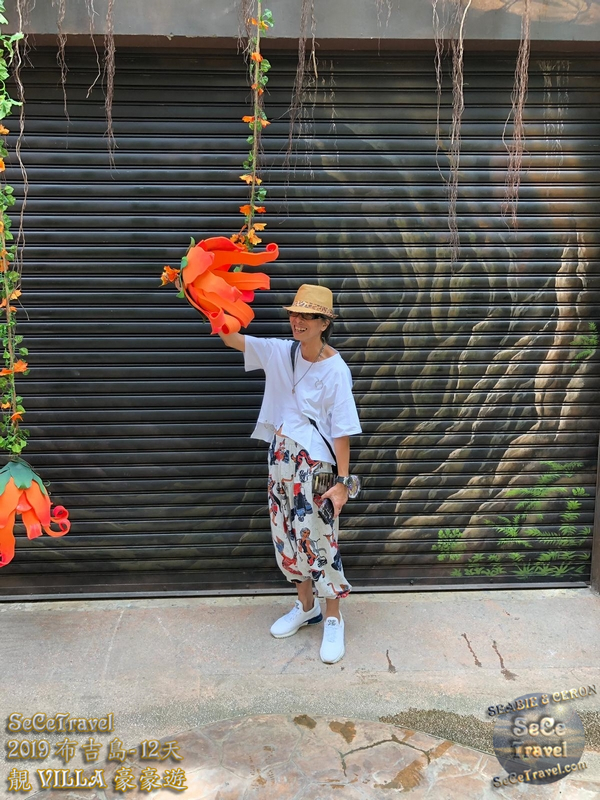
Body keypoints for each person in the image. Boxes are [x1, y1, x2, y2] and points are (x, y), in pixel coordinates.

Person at [217, 284, 362, 664]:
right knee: (286, 537)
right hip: (280, 457)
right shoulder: (280, 351)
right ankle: (306, 607)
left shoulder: (336, 370)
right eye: (295, 314)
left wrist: (342, 483)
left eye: (307, 316)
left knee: (319, 540)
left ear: (324, 323)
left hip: (316, 466)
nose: (297, 321)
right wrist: (208, 302)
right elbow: (232, 338)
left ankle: (333, 617)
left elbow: (343, 430)